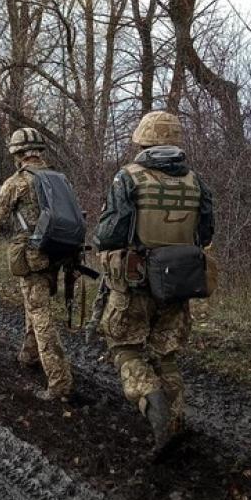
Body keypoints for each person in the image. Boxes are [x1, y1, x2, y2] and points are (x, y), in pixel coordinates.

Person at [93, 111, 214, 450]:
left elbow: (110, 233)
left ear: (143, 141)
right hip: (179, 281)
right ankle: (176, 420)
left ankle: (153, 401)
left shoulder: (128, 178)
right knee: (167, 353)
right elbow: (206, 232)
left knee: (125, 347)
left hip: (136, 281)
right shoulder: (196, 181)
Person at [0, 128, 73, 401]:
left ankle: (59, 381)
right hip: (57, 253)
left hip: (31, 252)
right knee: (34, 303)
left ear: (17, 154)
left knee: (40, 314)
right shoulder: (59, 178)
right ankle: (29, 355)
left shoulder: (17, 183)